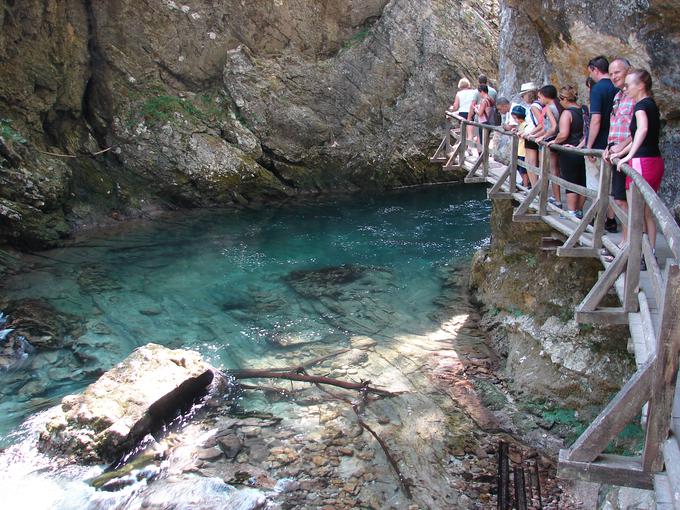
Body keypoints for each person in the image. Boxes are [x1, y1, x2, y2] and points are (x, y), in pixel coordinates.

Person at [610, 69, 664, 254]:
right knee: (647, 212)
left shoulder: (640, 106)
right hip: (653, 159)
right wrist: (622, 151)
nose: (625, 88)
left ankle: (638, 253)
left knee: (637, 211)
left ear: (640, 86)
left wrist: (628, 156)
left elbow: (642, 130)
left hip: (642, 162)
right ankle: (650, 253)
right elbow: (637, 136)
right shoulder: (651, 104)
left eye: (628, 85)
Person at [603, 57, 634, 243]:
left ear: (628, 71)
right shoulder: (618, 96)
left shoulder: (634, 97)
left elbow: (638, 129)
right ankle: (626, 240)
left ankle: (627, 242)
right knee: (619, 198)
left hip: (628, 155)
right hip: (616, 154)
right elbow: (615, 126)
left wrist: (620, 148)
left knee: (627, 200)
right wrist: (609, 148)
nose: (614, 76)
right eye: (611, 73)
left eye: (618, 72)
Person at [584, 56, 618, 219]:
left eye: (590, 72)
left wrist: (589, 146)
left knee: (594, 182)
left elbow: (596, 119)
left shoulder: (597, 89)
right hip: (614, 143)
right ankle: (611, 219)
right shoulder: (618, 88)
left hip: (598, 143)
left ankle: (598, 217)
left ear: (594, 70)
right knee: (610, 183)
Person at [548, 86, 586, 218]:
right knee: (582, 181)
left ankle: (571, 211)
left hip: (569, 150)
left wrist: (554, 142)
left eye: (561, 100)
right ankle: (579, 211)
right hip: (582, 150)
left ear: (564, 99)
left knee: (570, 181)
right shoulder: (583, 110)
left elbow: (563, 134)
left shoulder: (567, 113)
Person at [534, 85, 562, 208]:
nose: (539, 99)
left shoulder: (549, 108)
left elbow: (553, 126)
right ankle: (557, 198)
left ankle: (558, 200)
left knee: (552, 170)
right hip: (558, 141)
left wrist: (543, 137)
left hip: (551, 141)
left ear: (545, 96)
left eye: (540, 97)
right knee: (555, 170)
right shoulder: (559, 106)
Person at [517, 82, 542, 187]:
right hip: (534, 136)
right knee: (536, 165)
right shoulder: (539, 104)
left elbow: (540, 123)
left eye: (523, 96)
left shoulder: (534, 106)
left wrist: (529, 134)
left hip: (533, 138)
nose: (523, 98)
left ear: (529, 94)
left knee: (530, 164)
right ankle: (536, 188)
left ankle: (535, 189)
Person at [450, 78, 477, 155]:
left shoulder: (458, 94)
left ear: (460, 85)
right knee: (471, 133)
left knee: (464, 132)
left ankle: (463, 148)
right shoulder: (473, 92)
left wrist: (451, 109)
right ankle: (469, 148)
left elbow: (455, 106)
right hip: (471, 112)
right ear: (468, 84)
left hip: (462, 114)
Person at [511, 105, 530, 188]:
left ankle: (526, 185)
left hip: (523, 151)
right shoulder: (520, 125)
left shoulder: (525, 125)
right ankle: (525, 182)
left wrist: (519, 132)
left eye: (515, 118)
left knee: (523, 170)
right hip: (519, 150)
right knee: (519, 168)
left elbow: (525, 132)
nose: (515, 120)